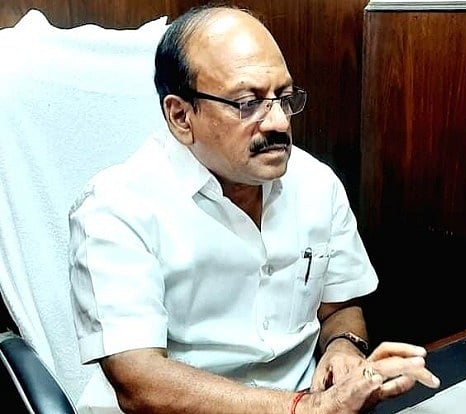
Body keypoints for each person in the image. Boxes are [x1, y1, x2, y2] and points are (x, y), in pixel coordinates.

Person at [68, 3, 440, 413]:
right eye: (248, 102)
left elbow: (340, 307)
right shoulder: (115, 207)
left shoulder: (317, 184)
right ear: (181, 116)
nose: (279, 122)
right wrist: (305, 408)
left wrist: (343, 347)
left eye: (284, 98)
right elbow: (140, 382)